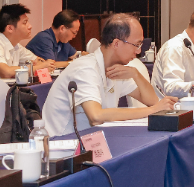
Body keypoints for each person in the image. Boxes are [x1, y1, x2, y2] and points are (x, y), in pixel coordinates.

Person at [43, 14, 177, 136]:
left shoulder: (117, 67)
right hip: (62, 143)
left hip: (91, 139)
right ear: (116, 43)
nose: (139, 51)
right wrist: (152, 111)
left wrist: (136, 74)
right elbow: (96, 116)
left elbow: (152, 101)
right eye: (136, 44)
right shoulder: (85, 68)